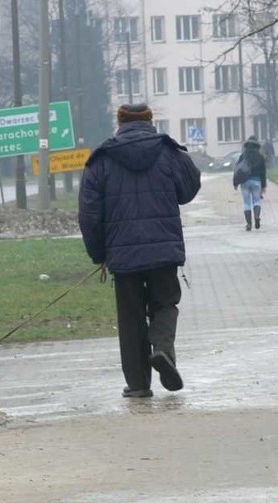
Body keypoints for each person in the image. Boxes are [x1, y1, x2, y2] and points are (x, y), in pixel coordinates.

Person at [78, 103, 201, 398]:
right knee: (165, 303)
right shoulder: (169, 152)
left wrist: (99, 254)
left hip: (122, 254)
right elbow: (189, 189)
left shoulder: (102, 160)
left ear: (119, 123)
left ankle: (138, 385)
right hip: (163, 248)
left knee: (131, 317)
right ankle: (162, 349)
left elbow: (89, 214)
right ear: (150, 121)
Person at [233, 136, 267, 231]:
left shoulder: (243, 156)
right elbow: (263, 172)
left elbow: (237, 169)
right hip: (256, 181)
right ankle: (257, 217)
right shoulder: (260, 157)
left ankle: (248, 224)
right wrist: (263, 186)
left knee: (246, 203)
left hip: (244, 181)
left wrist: (235, 182)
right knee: (257, 201)